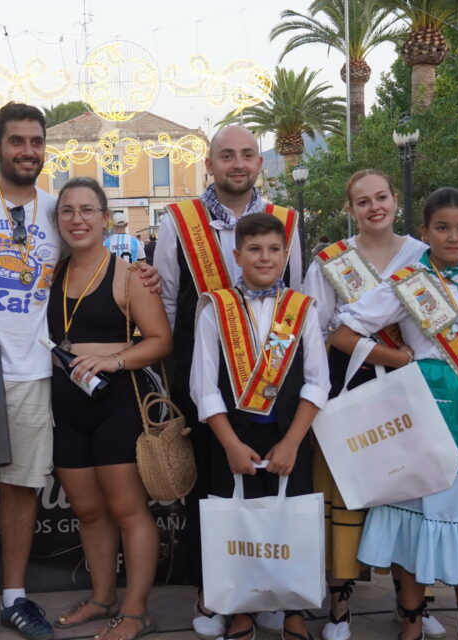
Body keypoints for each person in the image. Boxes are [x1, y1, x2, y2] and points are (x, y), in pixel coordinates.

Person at [0, 102, 162, 640]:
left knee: (21, 487)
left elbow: (90, 263)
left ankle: (15, 598)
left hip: (32, 373)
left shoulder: (56, 211)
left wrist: (141, 269)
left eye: (35, 142)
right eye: (16, 141)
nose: (27, 151)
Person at [331, 187, 458, 640]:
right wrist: (407, 363)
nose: (452, 237)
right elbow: (344, 333)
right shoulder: (409, 281)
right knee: (418, 506)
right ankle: (412, 618)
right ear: (424, 232)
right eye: (441, 228)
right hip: (424, 403)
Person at [152, 124, 304, 637]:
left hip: (276, 378)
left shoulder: (285, 221)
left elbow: (297, 294)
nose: (237, 163)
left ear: (259, 163)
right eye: (226, 155)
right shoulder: (179, 221)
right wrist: (174, 381)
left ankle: (269, 586)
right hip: (206, 380)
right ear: (210, 164)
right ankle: (216, 590)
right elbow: (169, 302)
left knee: (270, 488)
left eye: (247, 155)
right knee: (212, 490)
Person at [301, 169, 442, 640]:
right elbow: (314, 333)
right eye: (363, 201)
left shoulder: (425, 255)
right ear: (350, 210)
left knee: (410, 495)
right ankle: (340, 603)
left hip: (414, 391)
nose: (374, 206)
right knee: (346, 492)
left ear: (396, 199)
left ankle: (414, 606)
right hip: (349, 390)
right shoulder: (330, 261)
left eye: (381, 196)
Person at [191, 214, 329, 640]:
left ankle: (293, 611)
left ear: (285, 254)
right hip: (232, 438)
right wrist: (230, 444)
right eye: (254, 249)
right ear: (238, 255)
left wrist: (292, 442)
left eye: (273, 249)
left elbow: (317, 382)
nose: (264, 257)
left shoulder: (302, 309)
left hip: (289, 435)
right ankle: (240, 610)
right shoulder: (216, 308)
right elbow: (203, 385)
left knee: (291, 523)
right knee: (237, 525)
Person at [46, 178, 172, 640]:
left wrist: (113, 360)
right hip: (67, 405)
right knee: (88, 510)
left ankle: (135, 611)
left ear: (105, 218)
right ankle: (102, 598)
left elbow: (161, 341)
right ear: (57, 221)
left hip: (118, 402)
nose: (77, 219)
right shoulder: (51, 274)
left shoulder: (130, 274)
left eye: (86, 210)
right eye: (67, 211)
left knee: (127, 510)